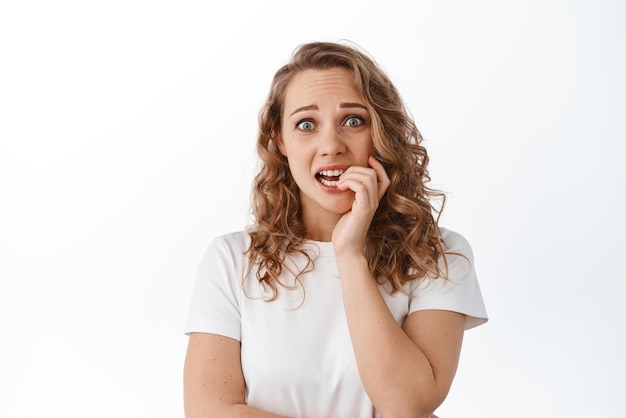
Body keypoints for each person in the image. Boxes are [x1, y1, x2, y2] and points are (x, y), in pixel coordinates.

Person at [183, 41, 488, 418]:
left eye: (353, 121)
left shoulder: (438, 254)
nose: (331, 145)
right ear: (280, 141)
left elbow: (408, 404)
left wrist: (350, 254)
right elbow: (209, 410)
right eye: (306, 124)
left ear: (381, 132)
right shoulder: (231, 260)